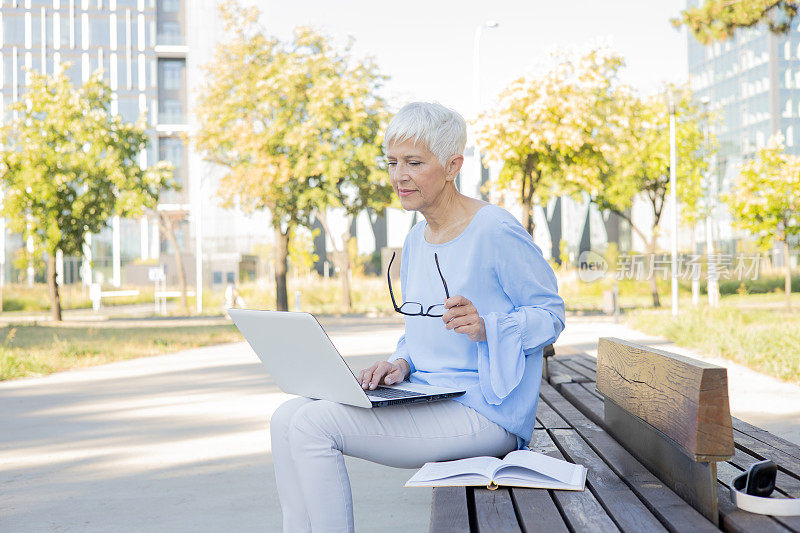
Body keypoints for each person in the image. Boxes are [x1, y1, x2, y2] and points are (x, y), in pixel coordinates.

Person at [270, 102, 565, 532]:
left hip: (486, 410)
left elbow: (551, 316)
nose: (399, 175)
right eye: (392, 162)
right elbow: (418, 330)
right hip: (427, 393)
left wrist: (489, 326)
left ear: (452, 166)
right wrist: (400, 362)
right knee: (286, 417)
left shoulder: (495, 230)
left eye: (414, 162)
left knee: (315, 424)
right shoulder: (415, 240)